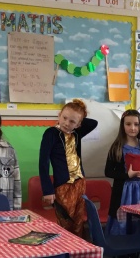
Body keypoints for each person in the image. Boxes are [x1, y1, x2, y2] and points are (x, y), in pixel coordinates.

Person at [39, 99, 97, 238]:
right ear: (59, 115)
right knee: (65, 221)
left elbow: (93, 123)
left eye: (72, 121)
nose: (66, 123)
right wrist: (47, 190)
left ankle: (78, 249)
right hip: (63, 186)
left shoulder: (77, 133)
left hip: (80, 183)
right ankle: (64, 248)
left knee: (78, 221)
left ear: (78, 124)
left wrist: (79, 116)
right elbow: (43, 163)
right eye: (64, 118)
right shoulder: (51, 133)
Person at [105, 109, 140, 258]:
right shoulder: (117, 146)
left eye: (136, 124)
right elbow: (108, 171)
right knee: (124, 225)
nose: (133, 128)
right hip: (124, 193)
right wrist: (127, 175)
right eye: (128, 124)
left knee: (139, 225)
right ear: (122, 125)